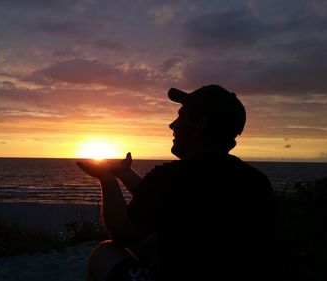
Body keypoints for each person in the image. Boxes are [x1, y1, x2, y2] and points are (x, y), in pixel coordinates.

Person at [77, 85, 281, 281]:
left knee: (104, 252)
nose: (172, 125)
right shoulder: (255, 180)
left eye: (181, 116)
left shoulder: (173, 177)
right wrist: (124, 173)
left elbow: (122, 233)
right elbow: (161, 200)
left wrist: (106, 178)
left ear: (200, 126)